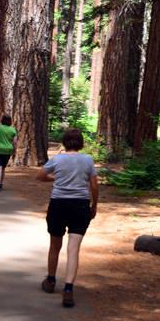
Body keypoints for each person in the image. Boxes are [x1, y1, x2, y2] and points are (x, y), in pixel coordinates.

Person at [37, 126, 98, 309]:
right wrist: (94, 205)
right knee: (73, 249)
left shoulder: (57, 159)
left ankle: (50, 280)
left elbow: (39, 176)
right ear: (80, 143)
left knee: (55, 246)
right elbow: (94, 187)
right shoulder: (87, 160)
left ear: (64, 142)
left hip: (58, 205)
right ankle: (69, 289)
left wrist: (56, 179)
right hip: (80, 206)